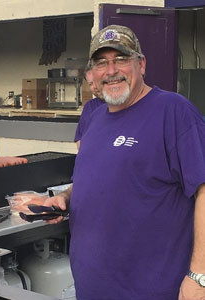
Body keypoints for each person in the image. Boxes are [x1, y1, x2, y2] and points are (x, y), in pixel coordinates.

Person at [44, 25, 205, 300]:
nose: (111, 70)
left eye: (121, 59)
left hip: (152, 291)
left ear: (141, 64)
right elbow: (100, 180)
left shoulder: (174, 112)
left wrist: (198, 277)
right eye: (101, 63)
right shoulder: (95, 118)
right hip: (92, 288)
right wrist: (66, 198)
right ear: (92, 73)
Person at [74, 65, 105, 149]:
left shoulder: (124, 104)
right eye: (90, 84)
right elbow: (79, 141)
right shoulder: (90, 106)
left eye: (97, 81)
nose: (95, 87)